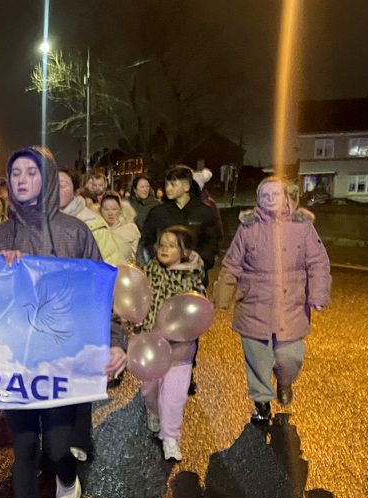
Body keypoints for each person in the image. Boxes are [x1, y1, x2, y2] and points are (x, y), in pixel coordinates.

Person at [0, 147, 127, 498]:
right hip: (17, 365)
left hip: (65, 363)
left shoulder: (74, 232)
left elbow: (102, 290)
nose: (22, 179)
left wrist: (116, 341)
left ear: (46, 177)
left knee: (59, 450)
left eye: (31, 172)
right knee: (24, 449)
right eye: (15, 173)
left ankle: (68, 485)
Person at [214, 176, 331, 425]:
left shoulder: (302, 227)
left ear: (286, 197)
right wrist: (222, 295)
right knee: (257, 358)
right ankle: (262, 403)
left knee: (290, 356)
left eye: (275, 194)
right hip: (254, 302)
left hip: (291, 304)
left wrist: (318, 295)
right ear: (258, 200)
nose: (269, 199)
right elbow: (232, 264)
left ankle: (284, 381)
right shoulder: (248, 228)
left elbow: (318, 262)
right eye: (264, 195)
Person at [140, 226, 207, 462]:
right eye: (162, 244)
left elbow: (200, 311)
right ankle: (153, 410)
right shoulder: (147, 274)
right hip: (151, 346)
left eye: (171, 245)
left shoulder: (193, 279)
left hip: (181, 348)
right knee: (149, 390)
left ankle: (170, 437)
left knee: (174, 396)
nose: (164, 249)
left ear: (184, 251)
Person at [140, 165, 222, 283]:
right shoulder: (157, 212)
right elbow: (147, 240)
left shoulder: (204, 212)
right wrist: (159, 260)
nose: (168, 188)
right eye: (167, 184)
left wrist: (200, 261)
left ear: (186, 186)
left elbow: (213, 241)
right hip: (164, 278)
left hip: (195, 277)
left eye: (173, 185)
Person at [58, 168, 124, 265]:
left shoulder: (93, 223)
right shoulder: (41, 222)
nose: (55, 190)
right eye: (52, 185)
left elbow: (111, 263)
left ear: (76, 191)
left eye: (62, 186)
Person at [97, 193, 141, 264]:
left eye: (114, 209)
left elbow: (136, 255)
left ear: (120, 210)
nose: (110, 213)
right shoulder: (96, 228)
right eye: (106, 209)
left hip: (124, 268)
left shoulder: (130, 229)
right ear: (100, 210)